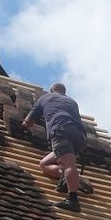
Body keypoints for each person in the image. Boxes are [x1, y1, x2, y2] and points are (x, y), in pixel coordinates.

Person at [23, 83, 87, 212]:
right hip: (80, 136)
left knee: (68, 164)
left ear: (51, 90)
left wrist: (24, 125)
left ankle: (73, 199)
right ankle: (71, 178)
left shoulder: (46, 97)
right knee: (44, 164)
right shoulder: (72, 101)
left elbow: (28, 122)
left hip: (61, 130)